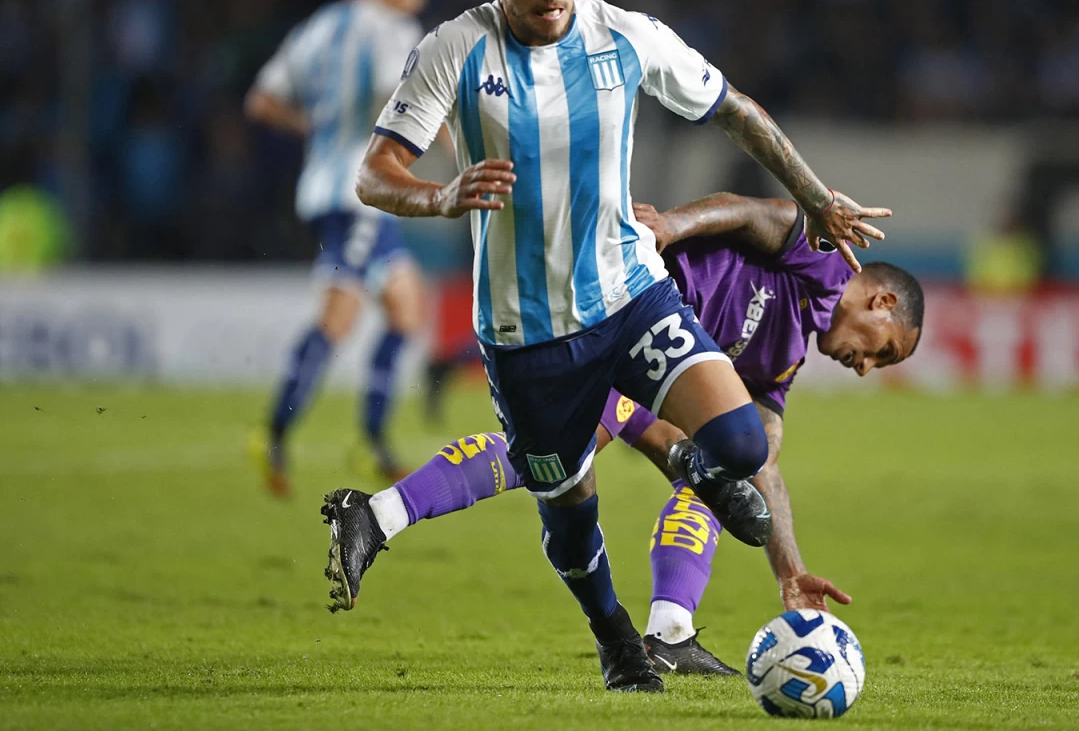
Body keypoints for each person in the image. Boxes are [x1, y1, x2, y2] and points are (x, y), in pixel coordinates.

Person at [319, 0, 890, 693]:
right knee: (569, 506)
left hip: (630, 297)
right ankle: (618, 638)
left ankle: (687, 499)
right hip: (526, 333)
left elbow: (736, 110)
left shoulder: (624, 36)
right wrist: (441, 197)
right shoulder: (455, 49)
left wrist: (815, 195)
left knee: (742, 444)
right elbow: (376, 174)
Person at [334, 192, 923, 675]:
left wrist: (790, 573)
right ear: (882, 300)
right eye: (884, 352)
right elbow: (756, 213)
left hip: (656, 366)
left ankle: (670, 632)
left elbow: (764, 460)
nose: (868, 368)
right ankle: (380, 512)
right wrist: (673, 224)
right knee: (562, 457)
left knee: (717, 468)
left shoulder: (788, 351)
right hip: (627, 313)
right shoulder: (824, 258)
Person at [245, 0, 431, 495]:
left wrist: (318, 127)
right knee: (339, 318)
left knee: (406, 309)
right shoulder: (391, 26)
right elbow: (389, 95)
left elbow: (261, 101)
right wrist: (436, 130)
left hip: (326, 184)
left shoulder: (316, 28)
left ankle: (371, 440)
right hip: (364, 190)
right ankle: (274, 433)